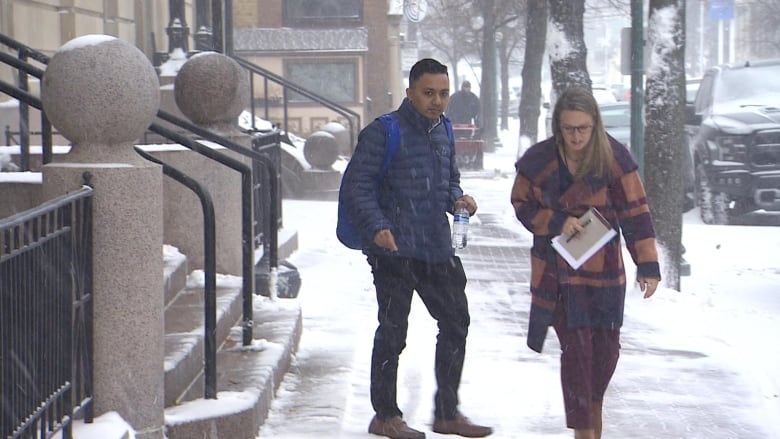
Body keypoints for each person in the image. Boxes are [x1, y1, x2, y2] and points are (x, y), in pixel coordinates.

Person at [339, 58, 493, 439]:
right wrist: (378, 228)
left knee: (456, 322)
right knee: (393, 331)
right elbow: (358, 187)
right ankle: (385, 415)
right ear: (410, 92)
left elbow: (448, 181)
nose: (437, 101)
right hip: (393, 251)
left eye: (443, 93)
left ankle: (446, 412)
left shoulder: (443, 130)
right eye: (429, 93)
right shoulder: (383, 132)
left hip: (435, 245)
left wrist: (458, 200)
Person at [510, 87, 661, 439]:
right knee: (577, 354)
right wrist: (556, 221)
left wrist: (648, 265)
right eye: (569, 129)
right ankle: (586, 432)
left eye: (583, 129)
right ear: (557, 126)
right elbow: (521, 204)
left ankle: (592, 415)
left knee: (606, 354)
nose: (576, 136)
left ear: (595, 125)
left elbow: (637, 214)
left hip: (606, 273)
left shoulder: (615, 159)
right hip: (559, 275)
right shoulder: (539, 161)